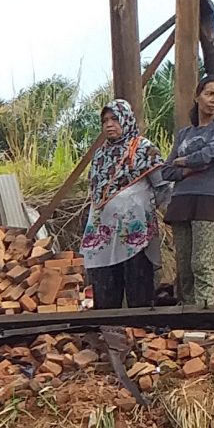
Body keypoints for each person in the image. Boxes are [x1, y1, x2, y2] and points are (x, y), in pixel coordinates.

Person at [155, 76, 214, 308]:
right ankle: (188, 316)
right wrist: (189, 168)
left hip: (209, 200)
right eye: (210, 94)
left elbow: (212, 153)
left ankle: (204, 314)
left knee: (203, 263)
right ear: (197, 96)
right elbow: (166, 171)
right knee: (185, 267)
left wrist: (183, 162)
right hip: (181, 201)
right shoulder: (184, 134)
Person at [79, 97, 163, 310]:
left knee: (138, 281)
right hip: (104, 233)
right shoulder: (100, 154)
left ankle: (142, 332)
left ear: (126, 120)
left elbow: (162, 186)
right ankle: (106, 332)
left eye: (114, 119)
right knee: (105, 283)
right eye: (105, 120)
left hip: (134, 232)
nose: (109, 124)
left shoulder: (144, 148)